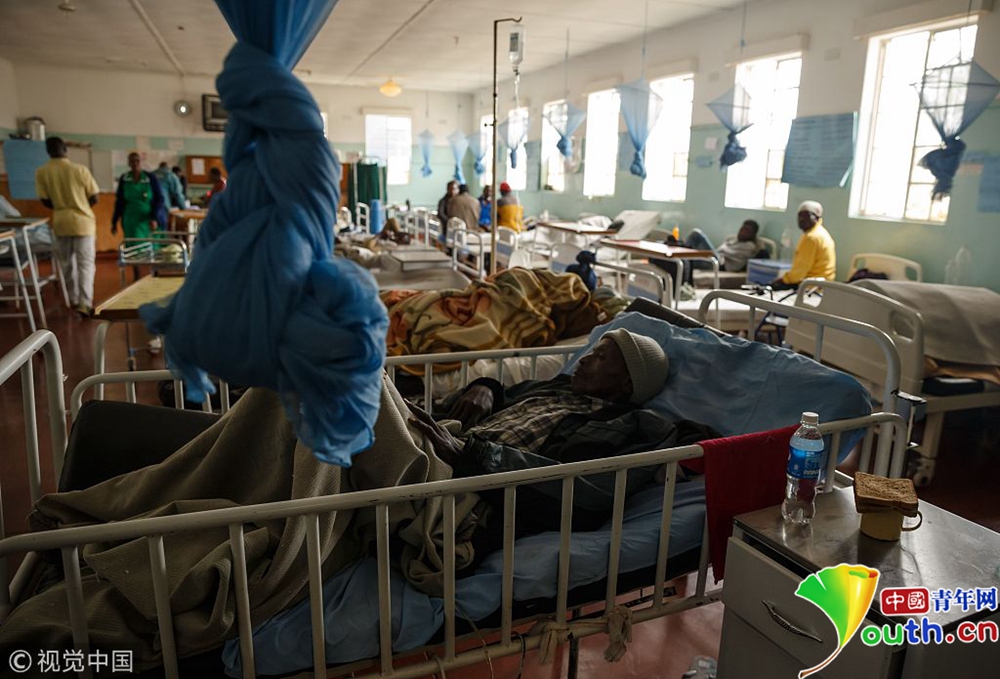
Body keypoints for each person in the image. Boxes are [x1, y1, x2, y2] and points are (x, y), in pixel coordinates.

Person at [407, 329, 718, 557]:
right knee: (379, 389)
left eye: (600, 357)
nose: (583, 359)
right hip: (441, 444)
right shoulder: (557, 388)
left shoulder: (627, 426)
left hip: (465, 484)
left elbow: (579, 492)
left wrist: (470, 456)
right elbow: (500, 394)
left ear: (627, 383)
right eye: (591, 351)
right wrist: (485, 387)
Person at [34, 136, 100, 316]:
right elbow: (95, 197)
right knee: (85, 264)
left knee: (67, 263)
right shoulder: (80, 170)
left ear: (48, 151)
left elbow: (45, 200)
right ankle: (85, 303)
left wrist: (61, 207)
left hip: (61, 221)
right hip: (83, 223)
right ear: (65, 149)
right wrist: (81, 206)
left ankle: (73, 299)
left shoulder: (42, 172)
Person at [652, 221, 763, 287]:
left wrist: (713, 252)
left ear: (752, 235)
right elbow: (722, 249)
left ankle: (680, 248)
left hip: (720, 264)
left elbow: (725, 252)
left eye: (747, 230)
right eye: (742, 228)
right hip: (718, 258)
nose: (742, 232)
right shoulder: (735, 241)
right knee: (689, 255)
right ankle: (680, 248)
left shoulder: (749, 246)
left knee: (696, 234)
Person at [770, 200, 836, 290]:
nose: (802, 219)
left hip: (811, 287)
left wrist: (783, 281)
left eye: (807, 216)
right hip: (824, 285)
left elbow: (799, 272)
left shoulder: (812, 238)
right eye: (800, 216)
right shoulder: (821, 233)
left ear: (817, 218)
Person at [112, 152, 165, 241]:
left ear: (141, 162)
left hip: (147, 219)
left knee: (147, 244)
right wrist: (114, 221)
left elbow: (159, 199)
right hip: (130, 219)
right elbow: (119, 201)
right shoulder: (124, 178)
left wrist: (154, 217)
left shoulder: (150, 178)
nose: (135, 163)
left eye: (137, 161)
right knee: (132, 245)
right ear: (129, 163)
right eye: (132, 161)